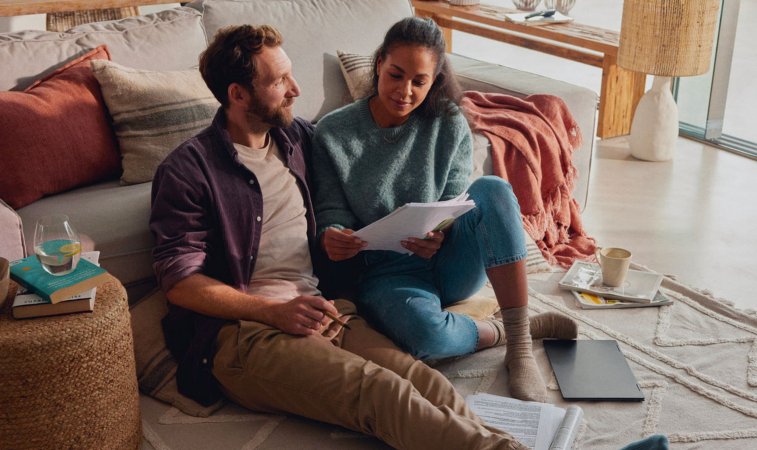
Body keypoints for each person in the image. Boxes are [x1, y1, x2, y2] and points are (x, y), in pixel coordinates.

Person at [149, 23, 529, 450]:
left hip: (327, 310)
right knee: (381, 393)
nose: (296, 89)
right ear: (238, 94)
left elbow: (349, 185)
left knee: (424, 380)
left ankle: (511, 439)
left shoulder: (297, 139)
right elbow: (179, 283)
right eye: (279, 81)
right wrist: (273, 312)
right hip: (246, 333)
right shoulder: (186, 171)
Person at [312, 17, 578, 403]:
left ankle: (519, 349)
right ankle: (501, 330)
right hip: (385, 272)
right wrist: (331, 235)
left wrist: (441, 234)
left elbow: (458, 201)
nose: (404, 91)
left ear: (434, 81)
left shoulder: (448, 121)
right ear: (378, 64)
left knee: (493, 188)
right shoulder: (333, 133)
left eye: (419, 81)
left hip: (449, 262)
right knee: (429, 340)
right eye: (395, 75)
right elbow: (330, 210)